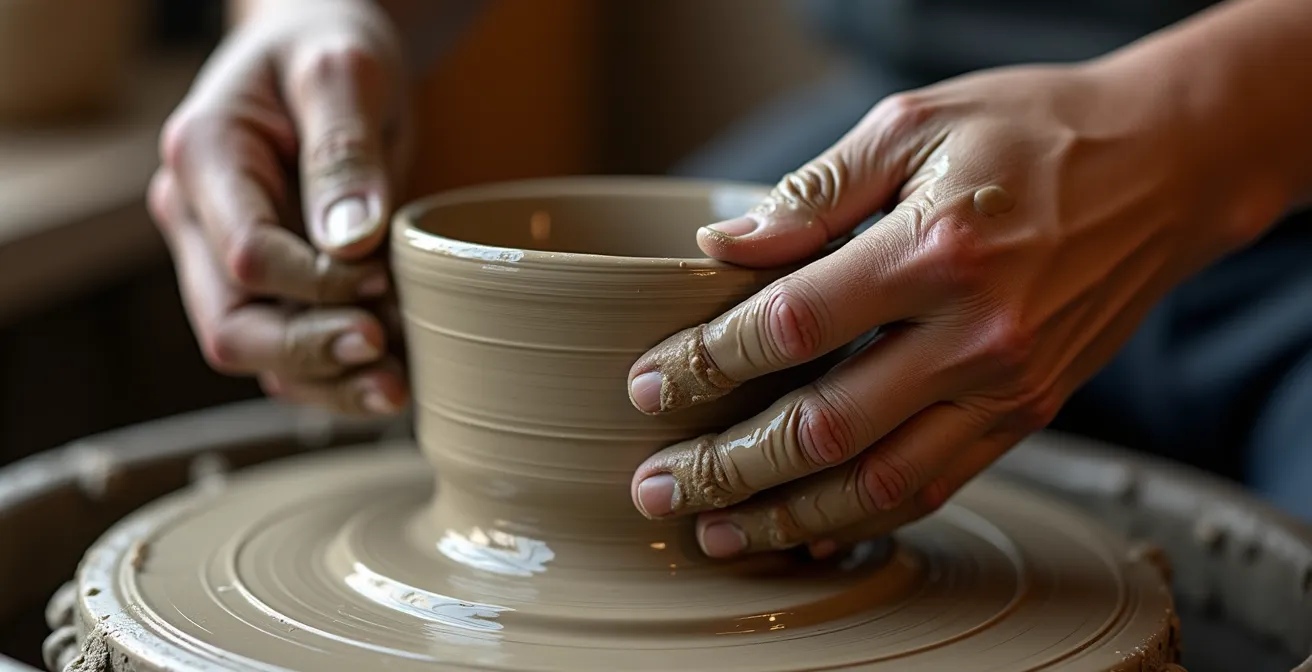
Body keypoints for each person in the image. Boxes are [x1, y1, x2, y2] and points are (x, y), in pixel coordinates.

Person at [148, 0, 1312, 560]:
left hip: (1273, 134)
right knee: (632, 316)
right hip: (906, 139)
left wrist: (1202, 132)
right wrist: (322, 18)